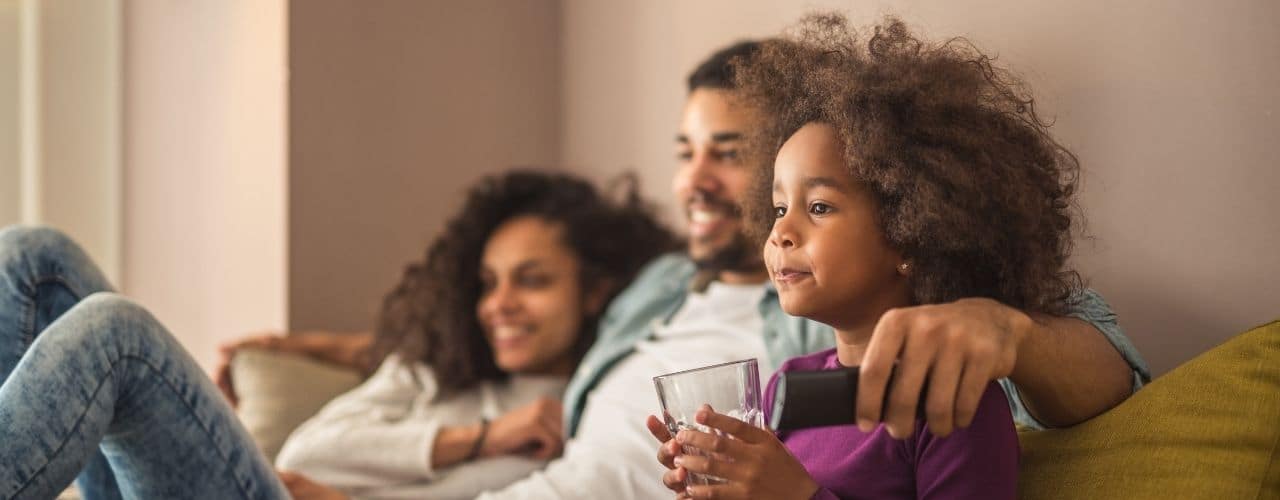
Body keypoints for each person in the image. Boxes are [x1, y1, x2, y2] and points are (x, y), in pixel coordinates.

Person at [225, 33, 1149, 500]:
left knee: (116, 340)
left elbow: (1084, 356)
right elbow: (506, 333)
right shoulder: (677, 301)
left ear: (914, 217)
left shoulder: (942, 369)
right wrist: (326, 346)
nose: (706, 184)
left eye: (730, 151)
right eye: (686, 149)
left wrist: (1003, 327)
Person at [0, 169, 673, 500]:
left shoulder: (584, 416)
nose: (500, 305)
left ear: (593, 291)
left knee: (119, 335)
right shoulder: (439, 373)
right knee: (34, 257)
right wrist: (478, 438)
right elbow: (315, 447)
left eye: (532, 281)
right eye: (488, 283)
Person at [652, 14, 1084, 498]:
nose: (780, 232)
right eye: (777, 207)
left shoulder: (950, 402)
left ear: (911, 234)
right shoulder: (786, 386)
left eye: (818, 207)